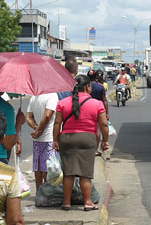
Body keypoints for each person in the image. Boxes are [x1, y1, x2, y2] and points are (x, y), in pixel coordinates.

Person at [53, 75, 110, 211]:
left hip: (66, 139)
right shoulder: (97, 104)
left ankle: (66, 203)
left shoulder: (63, 103)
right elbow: (104, 125)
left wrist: (55, 140)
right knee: (85, 173)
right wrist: (105, 141)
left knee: (68, 172)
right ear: (88, 87)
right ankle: (88, 202)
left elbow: (57, 123)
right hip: (87, 139)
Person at [26, 93, 58, 189]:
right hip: (49, 137)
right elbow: (47, 116)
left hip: (38, 139)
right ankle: (48, 192)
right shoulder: (52, 96)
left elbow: (28, 117)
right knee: (48, 167)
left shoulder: (34, 97)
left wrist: (36, 128)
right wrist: (40, 130)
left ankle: (39, 192)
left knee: (38, 167)